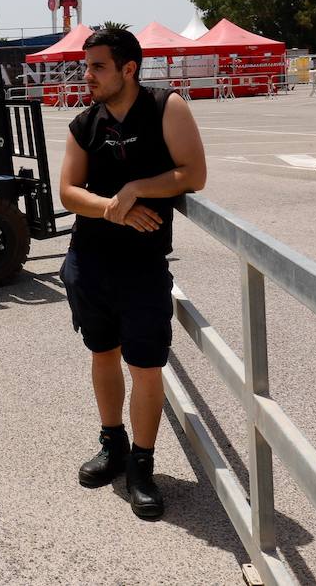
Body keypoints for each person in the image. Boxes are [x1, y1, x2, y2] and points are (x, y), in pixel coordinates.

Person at [58, 27, 207, 521]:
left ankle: (142, 466)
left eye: (98, 66)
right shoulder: (85, 124)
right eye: (87, 66)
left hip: (142, 266)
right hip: (89, 260)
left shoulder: (167, 107)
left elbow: (193, 173)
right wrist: (112, 208)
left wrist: (137, 187)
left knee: (145, 366)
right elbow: (68, 192)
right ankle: (113, 445)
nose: (88, 76)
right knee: (103, 355)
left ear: (129, 69)